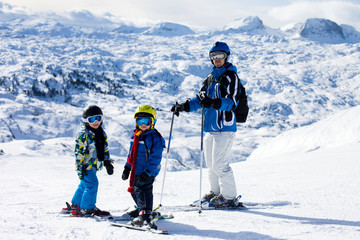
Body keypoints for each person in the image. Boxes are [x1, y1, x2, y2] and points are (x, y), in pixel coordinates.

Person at [171, 41, 241, 207]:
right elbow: (200, 99)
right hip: (210, 128)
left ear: (226, 56)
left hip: (225, 128)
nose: (217, 59)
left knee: (220, 165)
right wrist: (184, 106)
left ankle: (229, 198)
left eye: (220, 56)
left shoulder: (231, 77)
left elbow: (232, 102)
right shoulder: (210, 78)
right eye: (214, 56)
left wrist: (214, 102)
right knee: (211, 166)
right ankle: (216, 193)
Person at [121, 105, 165, 228]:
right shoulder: (136, 135)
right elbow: (132, 153)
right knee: (135, 190)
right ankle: (142, 209)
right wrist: (127, 167)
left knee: (143, 190)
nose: (143, 124)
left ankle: (145, 216)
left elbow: (155, 158)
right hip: (136, 170)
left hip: (147, 171)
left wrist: (148, 173)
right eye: (139, 121)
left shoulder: (155, 137)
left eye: (147, 121)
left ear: (153, 121)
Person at [70, 105, 114, 216]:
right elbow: (78, 153)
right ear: (86, 121)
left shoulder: (101, 133)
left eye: (98, 118)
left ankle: (76, 205)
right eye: (92, 119)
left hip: (94, 166)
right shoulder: (83, 135)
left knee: (84, 185)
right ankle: (87, 208)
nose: (95, 122)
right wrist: (80, 168)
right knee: (92, 184)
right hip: (86, 167)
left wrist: (107, 162)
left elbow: (105, 148)